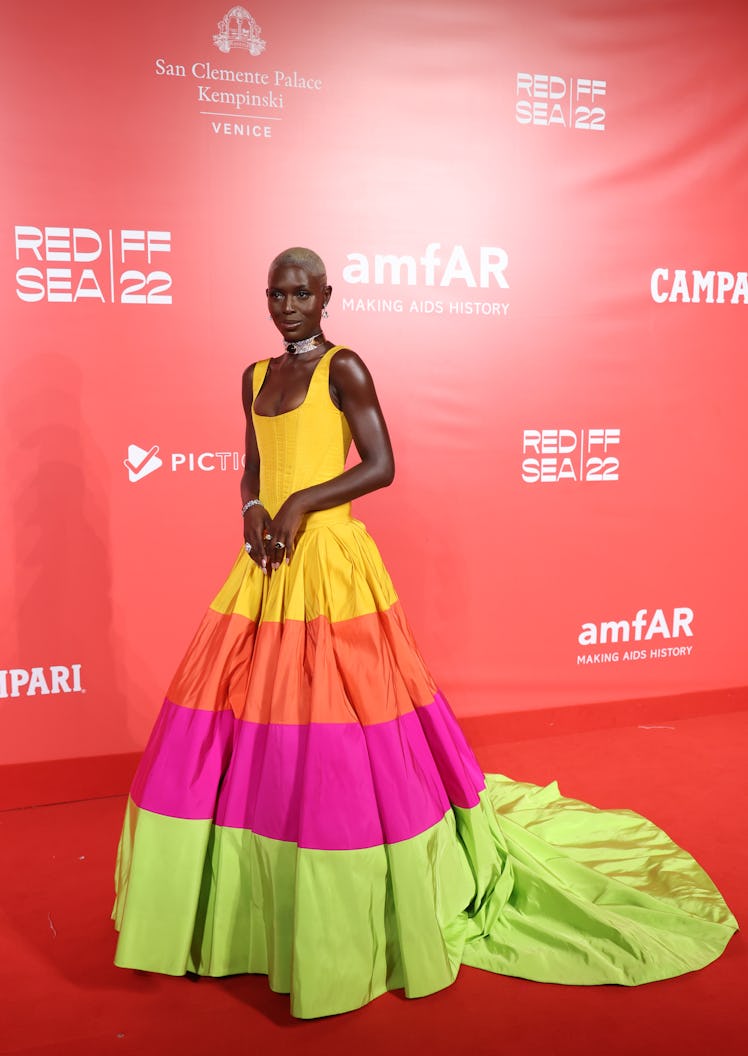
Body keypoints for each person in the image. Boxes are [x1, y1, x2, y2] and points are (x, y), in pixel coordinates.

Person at [113, 247, 737, 1019]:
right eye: (277, 293)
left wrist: (303, 502)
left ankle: (351, 863)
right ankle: (253, 885)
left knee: (343, 724)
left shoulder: (347, 368)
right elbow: (250, 468)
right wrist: (253, 511)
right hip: (267, 567)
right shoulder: (251, 377)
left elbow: (380, 464)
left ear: (327, 295)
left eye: (302, 292)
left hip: (333, 567)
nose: (288, 305)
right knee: (249, 721)